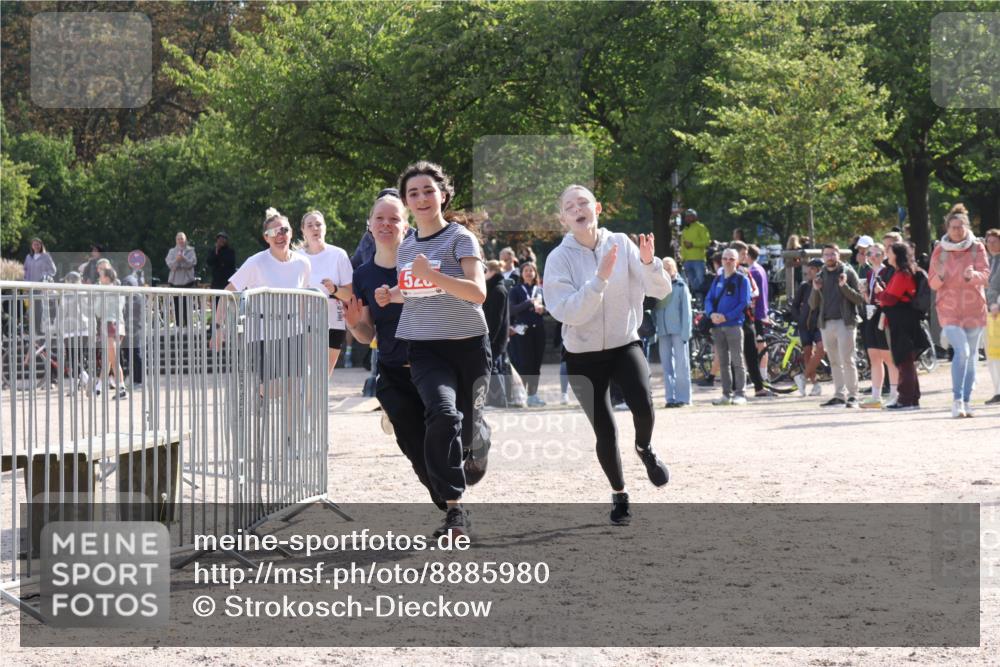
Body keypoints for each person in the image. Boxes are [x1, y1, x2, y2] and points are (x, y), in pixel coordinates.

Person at [376, 161, 492, 539]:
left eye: (428, 190)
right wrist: (390, 294)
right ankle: (455, 511)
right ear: (407, 202)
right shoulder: (407, 245)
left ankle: (479, 441)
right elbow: (415, 290)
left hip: (469, 347)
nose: (422, 198)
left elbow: (477, 293)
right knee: (442, 416)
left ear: (443, 194)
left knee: (470, 432)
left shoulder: (460, 238)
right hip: (425, 350)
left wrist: (433, 276)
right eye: (413, 193)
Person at [544, 184, 671, 526]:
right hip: (582, 355)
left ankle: (644, 449)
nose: (577, 209)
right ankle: (619, 494)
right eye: (569, 206)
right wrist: (599, 279)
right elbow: (567, 311)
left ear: (597, 207)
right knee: (606, 431)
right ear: (563, 218)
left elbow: (660, 290)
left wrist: (648, 263)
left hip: (623, 343)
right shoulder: (559, 259)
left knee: (643, 404)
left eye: (583, 202)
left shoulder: (621, 243)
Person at [344, 192, 445, 508]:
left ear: (406, 225)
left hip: (434, 366)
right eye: (380, 218)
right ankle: (448, 503)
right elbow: (366, 334)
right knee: (414, 446)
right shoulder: (361, 275)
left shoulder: (423, 263)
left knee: (445, 434)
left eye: (394, 218)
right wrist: (353, 323)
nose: (386, 224)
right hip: (392, 372)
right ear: (370, 225)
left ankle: (454, 489)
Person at [928, 203, 991, 418]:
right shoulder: (940, 250)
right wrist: (942, 276)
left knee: (971, 355)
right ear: (947, 228)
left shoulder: (977, 248)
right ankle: (956, 400)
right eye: (953, 227)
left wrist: (971, 276)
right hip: (949, 309)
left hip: (974, 308)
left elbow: (985, 277)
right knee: (962, 352)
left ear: (966, 226)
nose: (957, 230)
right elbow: (933, 283)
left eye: (960, 227)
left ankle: (966, 400)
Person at [296, 210, 354, 377]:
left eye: (319, 224)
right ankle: (304, 403)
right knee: (306, 376)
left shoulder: (338, 255)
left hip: (333, 321)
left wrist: (334, 289)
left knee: (322, 378)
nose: (315, 228)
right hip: (303, 322)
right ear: (303, 231)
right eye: (310, 225)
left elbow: (349, 295)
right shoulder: (297, 258)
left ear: (325, 228)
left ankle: (316, 403)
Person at [808, 243, 863, 408]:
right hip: (826, 323)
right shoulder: (821, 274)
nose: (830, 257)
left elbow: (859, 299)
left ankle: (853, 396)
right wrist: (815, 289)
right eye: (826, 254)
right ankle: (839, 395)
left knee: (848, 359)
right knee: (833, 361)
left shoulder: (847, 272)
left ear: (839, 255)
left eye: (833, 254)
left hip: (845, 323)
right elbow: (812, 304)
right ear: (822, 257)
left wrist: (843, 286)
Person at [878, 243, 930, 411]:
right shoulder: (902, 272)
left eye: (889, 252)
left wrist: (879, 293)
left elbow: (891, 298)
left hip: (902, 321)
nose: (887, 254)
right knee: (906, 360)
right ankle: (911, 398)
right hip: (905, 319)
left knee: (904, 360)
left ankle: (906, 399)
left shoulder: (902, 274)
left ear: (897, 255)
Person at [704, 248, 752, 406]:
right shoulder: (717, 279)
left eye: (732, 259)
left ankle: (740, 394)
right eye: (725, 259)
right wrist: (711, 314)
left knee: (737, 360)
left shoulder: (742, 280)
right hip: (718, 326)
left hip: (734, 325)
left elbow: (743, 302)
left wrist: (727, 316)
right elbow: (709, 299)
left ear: (737, 261)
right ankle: (726, 394)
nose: (728, 261)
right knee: (723, 361)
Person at [859, 243, 897, 408]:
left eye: (877, 253)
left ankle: (895, 394)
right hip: (871, 315)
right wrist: (864, 293)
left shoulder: (888, 272)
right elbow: (869, 300)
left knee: (888, 357)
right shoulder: (868, 273)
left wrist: (881, 292)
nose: (873, 256)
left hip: (884, 315)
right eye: (870, 253)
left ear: (884, 255)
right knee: (874, 356)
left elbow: (888, 296)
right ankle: (876, 396)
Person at [508, 261, 547, 406]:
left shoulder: (540, 290)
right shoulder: (516, 290)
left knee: (536, 363)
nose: (529, 273)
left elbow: (548, 308)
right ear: (522, 274)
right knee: (524, 363)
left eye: (531, 270)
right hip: (522, 331)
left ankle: (533, 395)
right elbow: (512, 310)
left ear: (535, 273)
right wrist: (528, 303)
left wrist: (543, 310)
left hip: (538, 330)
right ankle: (521, 395)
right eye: (526, 271)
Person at [655, 257, 692, 407]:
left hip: (678, 331)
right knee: (666, 365)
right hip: (663, 331)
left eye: (670, 267)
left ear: (675, 269)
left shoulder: (681, 286)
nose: (667, 270)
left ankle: (683, 398)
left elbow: (687, 312)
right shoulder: (657, 287)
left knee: (681, 365)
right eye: (664, 267)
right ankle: (670, 398)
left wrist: (686, 332)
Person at [790, 259, 825, 397]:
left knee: (822, 349)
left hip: (819, 324)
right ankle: (815, 384)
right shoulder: (804, 286)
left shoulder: (824, 285)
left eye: (811, 269)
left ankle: (802, 377)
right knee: (807, 354)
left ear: (818, 270)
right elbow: (794, 305)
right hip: (804, 325)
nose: (807, 271)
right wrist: (799, 319)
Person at [94, 267, 128, 399]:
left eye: (101, 276)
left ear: (107, 278)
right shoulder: (118, 290)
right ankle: (98, 388)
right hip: (119, 324)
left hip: (110, 324)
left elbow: (98, 311)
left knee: (112, 359)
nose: (99, 278)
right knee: (108, 359)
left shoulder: (104, 291)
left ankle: (121, 388)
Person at [482, 260, 512, 407]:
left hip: (495, 337)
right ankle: (498, 400)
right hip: (496, 337)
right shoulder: (496, 288)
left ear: (492, 271)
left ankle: (499, 400)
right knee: (492, 366)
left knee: (492, 367)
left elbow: (496, 318)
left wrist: (489, 339)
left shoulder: (497, 290)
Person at [166, 232, 197, 328]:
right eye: (178, 239)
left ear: (185, 240)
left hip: (188, 282)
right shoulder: (171, 251)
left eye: (182, 238)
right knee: (176, 305)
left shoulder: (191, 250)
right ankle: (178, 325)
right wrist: (177, 260)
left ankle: (188, 325)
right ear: (176, 240)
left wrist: (183, 259)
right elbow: (170, 265)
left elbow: (192, 263)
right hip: (175, 282)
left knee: (187, 305)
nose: (180, 240)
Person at [120, 272, 145, 389]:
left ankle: (139, 380)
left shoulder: (137, 297)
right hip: (126, 328)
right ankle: (131, 377)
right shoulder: (124, 297)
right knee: (127, 354)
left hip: (134, 329)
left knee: (135, 354)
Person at [985, 228, 1000, 405]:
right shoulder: (989, 261)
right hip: (988, 312)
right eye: (988, 242)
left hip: (997, 310)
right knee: (992, 354)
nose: (991, 244)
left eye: (994, 241)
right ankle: (997, 390)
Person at [680, 209, 711, 293]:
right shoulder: (685, 230)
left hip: (699, 260)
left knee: (701, 283)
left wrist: (693, 244)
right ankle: (697, 301)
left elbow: (707, 242)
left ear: (695, 217)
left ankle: (702, 301)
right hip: (687, 261)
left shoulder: (701, 227)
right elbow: (683, 246)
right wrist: (683, 259)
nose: (688, 218)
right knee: (692, 285)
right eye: (687, 216)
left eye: (690, 215)